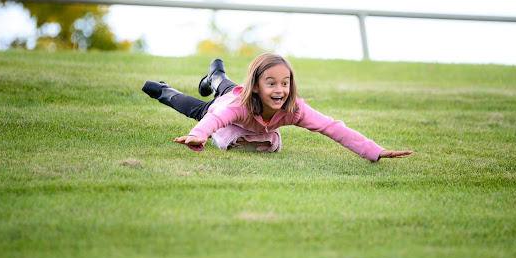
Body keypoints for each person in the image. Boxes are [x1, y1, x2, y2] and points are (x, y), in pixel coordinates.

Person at [142, 53, 412, 161]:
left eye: (285, 83)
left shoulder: (294, 109)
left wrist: (375, 151)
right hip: (228, 102)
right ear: (256, 85)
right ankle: (165, 90)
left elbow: (332, 127)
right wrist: (199, 134)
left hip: (241, 94)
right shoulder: (239, 106)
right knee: (199, 108)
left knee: (225, 85)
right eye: (271, 83)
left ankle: (215, 74)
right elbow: (215, 120)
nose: (280, 90)